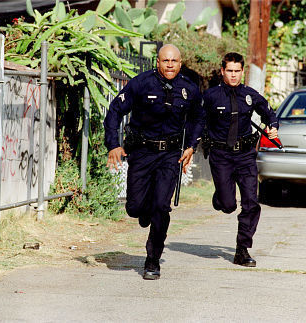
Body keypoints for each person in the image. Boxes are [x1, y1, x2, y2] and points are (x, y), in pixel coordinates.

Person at [104, 44, 205, 280]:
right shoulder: (141, 83)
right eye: (165, 60)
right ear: (157, 62)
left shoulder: (189, 88)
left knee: (162, 206)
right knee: (134, 208)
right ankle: (144, 209)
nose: (170, 65)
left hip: (171, 155)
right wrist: (113, 144)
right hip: (142, 152)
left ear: (181, 63)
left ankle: (152, 259)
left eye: (174, 61)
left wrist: (191, 146)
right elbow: (115, 111)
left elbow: (199, 119)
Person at [202, 52, 279, 267]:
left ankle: (242, 249)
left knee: (251, 203)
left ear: (242, 72)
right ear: (222, 72)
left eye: (237, 71)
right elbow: (197, 120)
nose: (233, 75)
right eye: (229, 71)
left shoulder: (250, 95)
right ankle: (220, 197)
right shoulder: (211, 96)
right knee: (227, 205)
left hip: (245, 155)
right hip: (221, 155)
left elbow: (269, 114)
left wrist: (273, 127)